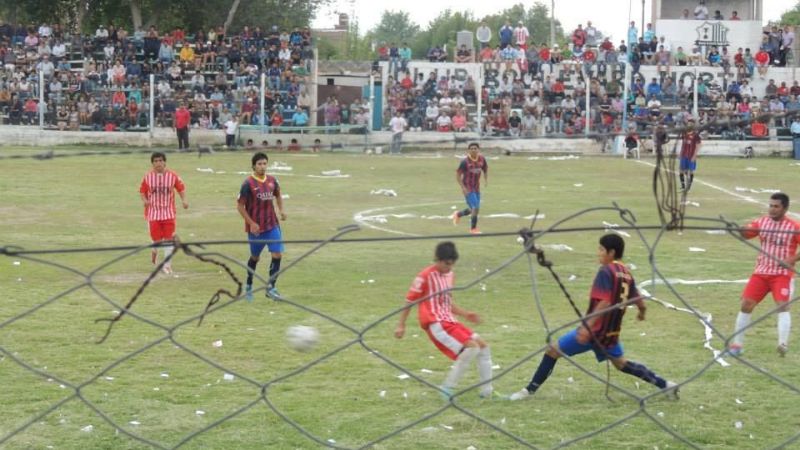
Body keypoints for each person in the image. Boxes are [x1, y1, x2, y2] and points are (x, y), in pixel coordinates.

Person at [510, 234, 679, 401]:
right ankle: (666, 385)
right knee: (621, 364)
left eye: (601, 249)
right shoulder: (626, 273)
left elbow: (604, 302)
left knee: (552, 351)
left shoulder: (606, 271)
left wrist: (586, 328)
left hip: (595, 331)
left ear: (611, 252)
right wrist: (641, 313)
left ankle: (528, 391)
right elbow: (639, 301)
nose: (598, 252)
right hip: (611, 334)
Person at [394, 241, 494, 399]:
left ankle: (487, 392)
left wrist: (466, 314)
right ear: (438, 260)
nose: (449, 268)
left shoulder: (449, 275)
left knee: (484, 347)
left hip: (450, 321)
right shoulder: (424, 276)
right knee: (472, 348)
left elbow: (446, 302)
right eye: (447, 264)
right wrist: (401, 325)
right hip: (436, 324)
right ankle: (447, 388)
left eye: (452, 265)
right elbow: (409, 301)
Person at [729, 193, 800, 357]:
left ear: (785, 208)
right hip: (761, 272)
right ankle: (736, 345)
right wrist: (738, 229)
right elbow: (747, 234)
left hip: (782, 274)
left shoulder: (794, 227)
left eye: (776, 207)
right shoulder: (762, 222)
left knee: (782, 306)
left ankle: (782, 344)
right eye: (771, 206)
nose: (772, 209)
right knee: (746, 305)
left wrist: (792, 259)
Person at [237, 152, 287, 300]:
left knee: (277, 254)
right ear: (253, 166)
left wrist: (281, 210)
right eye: (259, 164)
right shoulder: (248, 184)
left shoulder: (272, 180)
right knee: (255, 257)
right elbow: (240, 206)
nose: (262, 166)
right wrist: (251, 223)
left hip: (272, 225)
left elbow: (278, 195)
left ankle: (271, 287)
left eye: (264, 163)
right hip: (256, 230)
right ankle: (249, 284)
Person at [139, 152, 188, 274]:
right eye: (155, 161)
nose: (158, 163)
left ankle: (167, 265)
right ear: (152, 163)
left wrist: (184, 200)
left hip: (168, 213)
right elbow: (142, 192)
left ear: (165, 162)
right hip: (153, 213)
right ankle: (154, 250)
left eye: (160, 161)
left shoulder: (173, 176)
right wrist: (145, 201)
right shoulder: (148, 177)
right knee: (156, 240)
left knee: (168, 239)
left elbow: (180, 189)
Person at [452, 142, 488, 234]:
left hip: (476, 187)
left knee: (474, 209)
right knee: (475, 208)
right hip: (468, 188)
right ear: (469, 150)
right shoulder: (465, 162)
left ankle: (458, 214)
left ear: (478, 149)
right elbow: (458, 175)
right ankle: (473, 229)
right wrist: (463, 187)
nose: (473, 150)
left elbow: (485, 169)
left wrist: (485, 179)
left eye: (475, 148)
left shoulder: (482, 159)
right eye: (471, 148)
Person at [679, 122, 701, 192]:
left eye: (689, 125)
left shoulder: (695, 135)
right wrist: (680, 153)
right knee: (681, 170)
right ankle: (683, 186)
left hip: (691, 155)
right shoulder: (684, 134)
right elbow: (683, 144)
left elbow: (698, 145)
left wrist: (694, 156)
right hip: (684, 155)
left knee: (690, 171)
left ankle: (688, 187)